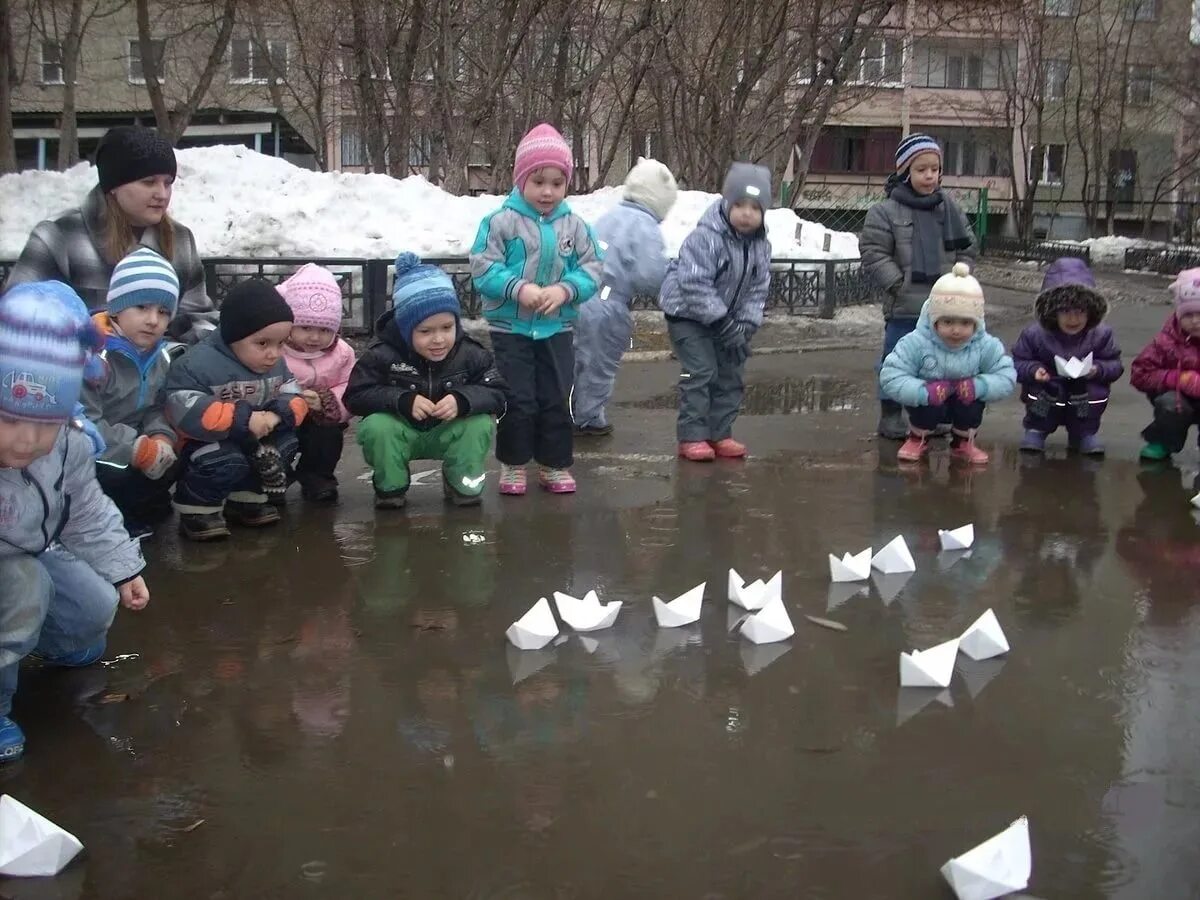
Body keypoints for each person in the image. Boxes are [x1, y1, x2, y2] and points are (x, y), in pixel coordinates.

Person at [0, 281, 150, 762]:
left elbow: (86, 510)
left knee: (94, 605)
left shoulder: (69, 446)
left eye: (45, 425)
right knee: (23, 590)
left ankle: (45, 642)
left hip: (29, 549)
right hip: (14, 567)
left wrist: (123, 567)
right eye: (8, 420)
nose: (26, 442)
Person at [469, 123, 603, 495]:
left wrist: (565, 290)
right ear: (521, 180)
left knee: (555, 398)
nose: (547, 191)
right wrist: (519, 289)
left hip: (556, 328)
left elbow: (593, 266)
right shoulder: (500, 221)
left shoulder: (575, 226)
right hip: (510, 329)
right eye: (538, 181)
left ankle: (553, 464)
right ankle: (513, 464)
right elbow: (483, 265)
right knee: (518, 399)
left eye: (557, 183)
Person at [5, 125, 216, 343]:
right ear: (113, 185)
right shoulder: (58, 236)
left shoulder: (180, 240)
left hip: (161, 371)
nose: (162, 194)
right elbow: (17, 316)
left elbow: (199, 318)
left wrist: (174, 355)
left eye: (168, 183)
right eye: (148, 182)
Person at [346, 253, 508, 509]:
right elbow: (355, 397)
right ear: (405, 328)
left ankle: (461, 483)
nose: (438, 339)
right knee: (377, 427)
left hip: (449, 430)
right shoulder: (382, 353)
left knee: (479, 423)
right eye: (425, 331)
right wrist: (401, 400)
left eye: (446, 328)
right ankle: (391, 487)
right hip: (402, 430)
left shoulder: (471, 353)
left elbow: (498, 393)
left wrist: (463, 400)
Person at [165, 279, 308, 541]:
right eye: (263, 343)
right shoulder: (197, 364)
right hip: (204, 441)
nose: (274, 354)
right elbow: (185, 409)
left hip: (252, 435)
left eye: (280, 343)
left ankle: (246, 499)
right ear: (234, 336)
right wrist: (244, 419)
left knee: (284, 444)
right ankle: (198, 510)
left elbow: (295, 396)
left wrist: (277, 414)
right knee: (224, 459)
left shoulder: (275, 365)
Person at [860, 134, 978, 440]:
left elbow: (967, 246)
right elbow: (874, 252)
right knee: (896, 359)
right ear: (905, 172)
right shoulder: (885, 212)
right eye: (921, 169)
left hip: (945, 306)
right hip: (904, 304)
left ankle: (930, 415)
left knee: (939, 361)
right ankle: (890, 414)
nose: (929, 176)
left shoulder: (949, 209)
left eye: (934, 169)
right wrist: (896, 283)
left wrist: (960, 280)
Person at [659, 162, 772, 462]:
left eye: (754, 207)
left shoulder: (761, 246)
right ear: (726, 202)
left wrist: (746, 324)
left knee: (730, 373)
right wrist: (723, 322)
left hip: (729, 320)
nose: (746, 213)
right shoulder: (705, 238)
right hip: (688, 316)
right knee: (701, 371)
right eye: (739, 204)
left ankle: (719, 432)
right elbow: (693, 284)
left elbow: (758, 288)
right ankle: (692, 435)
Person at [572, 157, 678, 437]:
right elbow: (649, 274)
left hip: (578, 297)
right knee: (600, 364)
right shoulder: (646, 227)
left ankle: (567, 408)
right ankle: (589, 417)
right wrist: (670, 278)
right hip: (610, 304)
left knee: (577, 359)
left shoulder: (609, 216)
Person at [82, 247, 181, 538]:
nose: (153, 320)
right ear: (116, 308)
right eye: (142, 307)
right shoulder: (92, 356)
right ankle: (112, 522)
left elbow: (155, 408)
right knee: (113, 473)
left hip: (137, 445)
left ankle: (139, 503)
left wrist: (162, 436)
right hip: (97, 453)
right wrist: (135, 449)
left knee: (176, 456)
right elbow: (82, 424)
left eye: (163, 312)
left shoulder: (160, 356)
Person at [879, 262, 1015, 465]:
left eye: (965, 323)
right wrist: (923, 391)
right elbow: (891, 375)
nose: (956, 331)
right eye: (948, 322)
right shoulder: (916, 342)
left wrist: (979, 387)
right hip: (930, 402)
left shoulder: (984, 345)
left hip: (964, 400)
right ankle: (918, 437)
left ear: (976, 323)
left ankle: (963, 441)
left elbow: (1005, 376)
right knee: (925, 407)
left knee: (972, 403)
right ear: (934, 320)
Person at [1011, 257, 1123, 455]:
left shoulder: (1100, 334)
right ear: (1053, 311)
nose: (1073, 319)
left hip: (1083, 388)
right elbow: (1018, 362)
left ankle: (1083, 433)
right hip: (1049, 387)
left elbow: (1114, 364)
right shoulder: (1035, 334)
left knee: (1092, 393)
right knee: (1040, 392)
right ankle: (1036, 429)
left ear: (1090, 311)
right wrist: (1034, 370)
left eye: (1080, 311)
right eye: (1065, 311)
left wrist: (1097, 370)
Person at [277, 264, 356, 503]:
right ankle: (272, 478)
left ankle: (318, 477)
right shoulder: (276, 348)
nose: (314, 337)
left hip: (320, 417)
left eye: (324, 329)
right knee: (273, 444)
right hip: (280, 417)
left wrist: (326, 401)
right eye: (305, 327)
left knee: (328, 437)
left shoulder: (342, 353)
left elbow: (349, 386)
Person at [1130, 267, 1200, 461]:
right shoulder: (1165, 341)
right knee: (1170, 405)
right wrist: (1177, 379)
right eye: (1188, 315)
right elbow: (1140, 373)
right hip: (1177, 396)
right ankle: (1163, 442)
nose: (1195, 321)